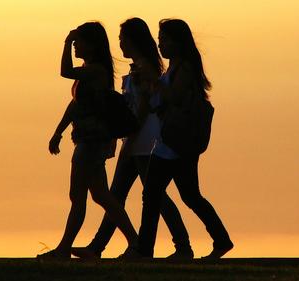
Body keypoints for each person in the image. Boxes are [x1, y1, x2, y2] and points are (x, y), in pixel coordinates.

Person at [71, 17, 193, 260]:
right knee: (116, 195)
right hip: (134, 139)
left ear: (133, 40)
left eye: (122, 39)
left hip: (144, 141)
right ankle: (98, 247)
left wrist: (129, 134)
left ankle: (182, 246)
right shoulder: (137, 67)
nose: (120, 44)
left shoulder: (145, 68)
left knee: (152, 195)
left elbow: (145, 107)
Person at [37, 22, 139, 260]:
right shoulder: (89, 72)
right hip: (88, 140)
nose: (74, 46)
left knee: (78, 196)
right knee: (101, 196)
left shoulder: (97, 71)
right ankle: (135, 242)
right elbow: (74, 105)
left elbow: (65, 71)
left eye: (77, 42)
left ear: (91, 45)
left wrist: (64, 42)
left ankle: (63, 249)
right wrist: (58, 131)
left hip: (92, 142)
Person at [137, 19, 233, 259]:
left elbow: (175, 97)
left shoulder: (185, 68)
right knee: (188, 195)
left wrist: (155, 81)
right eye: (160, 40)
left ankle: (145, 251)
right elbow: (161, 103)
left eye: (165, 40)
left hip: (174, 144)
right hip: (170, 142)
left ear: (179, 42)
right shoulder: (174, 67)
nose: (161, 45)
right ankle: (221, 240)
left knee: (152, 194)